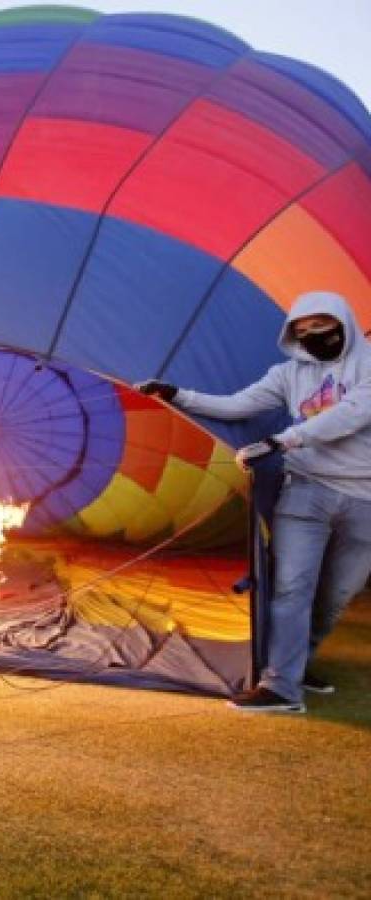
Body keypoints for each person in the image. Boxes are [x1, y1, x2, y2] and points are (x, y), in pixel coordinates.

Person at [138, 291, 371, 713]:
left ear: (343, 323)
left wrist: (283, 439)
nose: (314, 336)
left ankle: (300, 662)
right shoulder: (288, 374)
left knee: (335, 596)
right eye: (303, 332)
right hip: (305, 488)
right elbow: (237, 405)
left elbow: (352, 414)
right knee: (291, 587)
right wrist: (176, 395)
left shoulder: (368, 365)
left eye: (321, 327)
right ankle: (281, 686)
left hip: (365, 497)